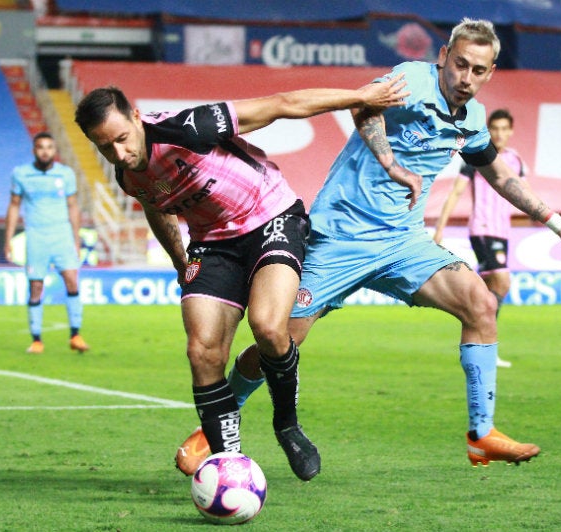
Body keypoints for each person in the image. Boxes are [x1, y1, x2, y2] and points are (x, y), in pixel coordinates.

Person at [176, 17, 561, 473]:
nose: (466, 77)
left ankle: (481, 435)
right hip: (338, 238)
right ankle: (214, 425)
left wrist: (555, 222)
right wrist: (391, 163)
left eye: (478, 70)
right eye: (459, 65)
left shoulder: (473, 119)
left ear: (490, 72)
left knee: (480, 304)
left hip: (404, 242)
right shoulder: (412, 80)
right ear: (443, 57)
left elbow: (496, 173)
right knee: (279, 343)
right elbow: (364, 107)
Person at [73, 79, 409, 481]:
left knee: (268, 327)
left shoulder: (191, 128)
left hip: (271, 217)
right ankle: (228, 462)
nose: (118, 153)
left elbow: (283, 103)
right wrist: (181, 262)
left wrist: (360, 97)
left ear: (137, 118)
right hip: (213, 245)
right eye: (104, 146)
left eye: (122, 139)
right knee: (202, 352)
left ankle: (287, 425)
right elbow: (155, 205)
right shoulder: (128, 176)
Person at [433, 109, 526, 368]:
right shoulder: (476, 155)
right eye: (494, 128)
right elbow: (455, 193)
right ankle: (484, 341)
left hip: (502, 231)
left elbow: (521, 192)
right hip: (483, 228)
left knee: (488, 291)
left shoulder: (515, 160)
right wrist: (440, 228)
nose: (499, 133)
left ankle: (479, 343)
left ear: (510, 131)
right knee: (503, 282)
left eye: (504, 129)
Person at [4, 132, 90, 355]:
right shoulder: (21, 174)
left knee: (72, 280)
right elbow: (14, 205)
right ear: (34, 151)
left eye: (49, 147)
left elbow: (72, 206)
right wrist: (9, 239)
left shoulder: (65, 174)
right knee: (36, 287)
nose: (45, 151)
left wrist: (76, 237)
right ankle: (36, 339)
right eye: (41, 147)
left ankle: (75, 335)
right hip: (36, 237)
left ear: (54, 151)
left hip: (61, 235)